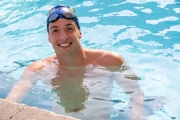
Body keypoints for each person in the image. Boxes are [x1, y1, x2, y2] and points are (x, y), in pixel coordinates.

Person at [6, 4, 145, 120]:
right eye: (55, 30)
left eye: (69, 28)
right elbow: (9, 103)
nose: (63, 36)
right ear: (49, 38)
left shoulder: (110, 61)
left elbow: (137, 96)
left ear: (80, 32)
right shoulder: (38, 69)